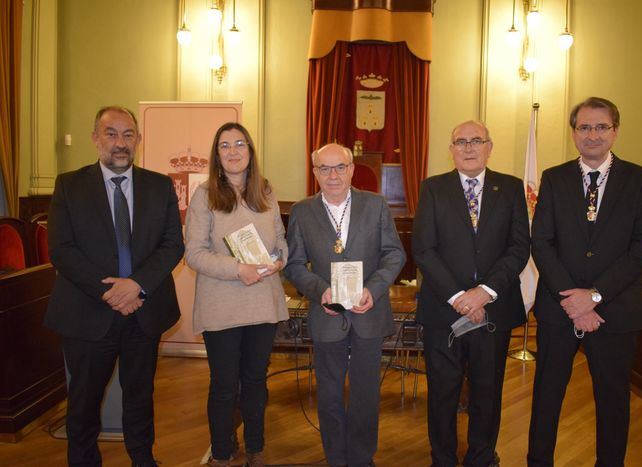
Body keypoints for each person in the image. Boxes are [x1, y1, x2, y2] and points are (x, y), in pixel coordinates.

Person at [45, 106, 184, 467]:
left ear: (138, 139)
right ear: (95, 139)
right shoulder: (69, 185)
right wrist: (111, 291)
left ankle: (142, 459)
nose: (119, 143)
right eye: (111, 134)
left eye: (127, 135)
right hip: (88, 313)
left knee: (140, 396)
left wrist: (137, 285)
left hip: (144, 311)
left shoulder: (160, 185)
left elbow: (173, 244)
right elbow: (61, 249)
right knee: (84, 400)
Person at [527, 97, 642, 467]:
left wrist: (595, 296)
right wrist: (573, 299)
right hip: (558, 309)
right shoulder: (554, 177)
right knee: (547, 396)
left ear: (615, 131)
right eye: (585, 127)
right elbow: (542, 242)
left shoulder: (640, 180)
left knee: (613, 400)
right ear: (573, 134)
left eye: (601, 127)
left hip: (615, 312)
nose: (593, 134)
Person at [413, 120, 530, 467]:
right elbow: (424, 249)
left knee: (487, 392)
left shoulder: (510, 188)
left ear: (489, 146)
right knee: (442, 393)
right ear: (450, 149)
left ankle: (481, 458)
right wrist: (459, 297)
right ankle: (443, 459)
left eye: (476, 140)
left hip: (495, 310)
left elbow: (518, 247)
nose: (468, 147)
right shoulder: (433, 188)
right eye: (460, 141)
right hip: (443, 311)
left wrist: (484, 293)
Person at [285, 143, 405, 467]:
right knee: (329, 396)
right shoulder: (302, 211)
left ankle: (362, 458)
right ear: (315, 173)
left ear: (352, 169)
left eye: (340, 167)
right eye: (325, 168)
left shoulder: (376, 205)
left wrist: (373, 289)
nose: (333, 175)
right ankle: (336, 459)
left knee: (366, 395)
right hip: (327, 317)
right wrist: (320, 290)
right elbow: (294, 264)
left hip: (369, 313)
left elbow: (395, 254)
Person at [185, 122, 288, 467]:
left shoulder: (266, 192)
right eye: (225, 146)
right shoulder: (205, 194)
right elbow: (194, 254)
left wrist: (279, 260)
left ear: (250, 151)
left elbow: (281, 241)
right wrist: (237, 269)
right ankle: (222, 452)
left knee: (256, 382)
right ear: (217, 154)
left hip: (263, 303)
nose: (232, 151)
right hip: (222, 306)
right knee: (225, 386)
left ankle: (256, 449)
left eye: (239, 144)